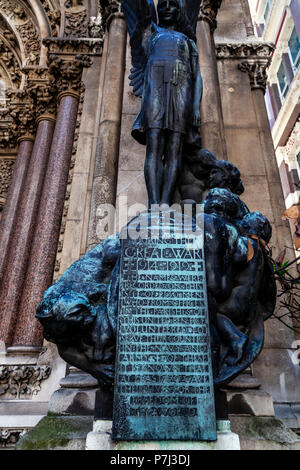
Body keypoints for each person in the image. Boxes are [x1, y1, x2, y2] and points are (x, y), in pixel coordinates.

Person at [126, 0, 203, 206]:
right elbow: (141, 14)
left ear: (180, 12)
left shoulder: (188, 40)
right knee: (154, 147)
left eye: (173, 5)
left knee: (174, 150)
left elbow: (198, 76)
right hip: (156, 90)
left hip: (181, 91)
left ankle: (165, 204)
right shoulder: (150, 32)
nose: (167, 8)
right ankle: (153, 204)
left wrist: (196, 106)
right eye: (163, 6)